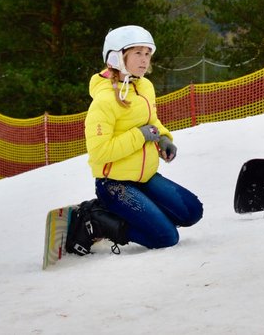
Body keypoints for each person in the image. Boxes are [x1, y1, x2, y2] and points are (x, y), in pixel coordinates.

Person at [76, 25, 203, 254]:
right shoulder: (103, 101)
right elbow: (100, 152)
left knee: (192, 212)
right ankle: (95, 221)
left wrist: (163, 138)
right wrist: (139, 136)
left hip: (144, 177)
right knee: (166, 237)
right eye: (137, 53)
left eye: (147, 54)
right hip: (114, 183)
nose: (144, 60)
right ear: (116, 57)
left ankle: (143, 214)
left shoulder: (144, 86)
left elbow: (151, 120)